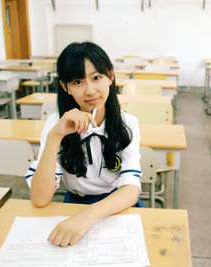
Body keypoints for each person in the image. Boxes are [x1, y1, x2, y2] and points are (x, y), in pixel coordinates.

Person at [25, 41, 144, 247]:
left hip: (117, 204)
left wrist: (88, 215)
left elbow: (130, 190)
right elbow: (40, 198)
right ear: (65, 87)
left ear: (111, 76)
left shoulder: (128, 124)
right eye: (78, 82)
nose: (90, 90)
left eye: (96, 78)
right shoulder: (56, 123)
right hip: (76, 204)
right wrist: (56, 136)